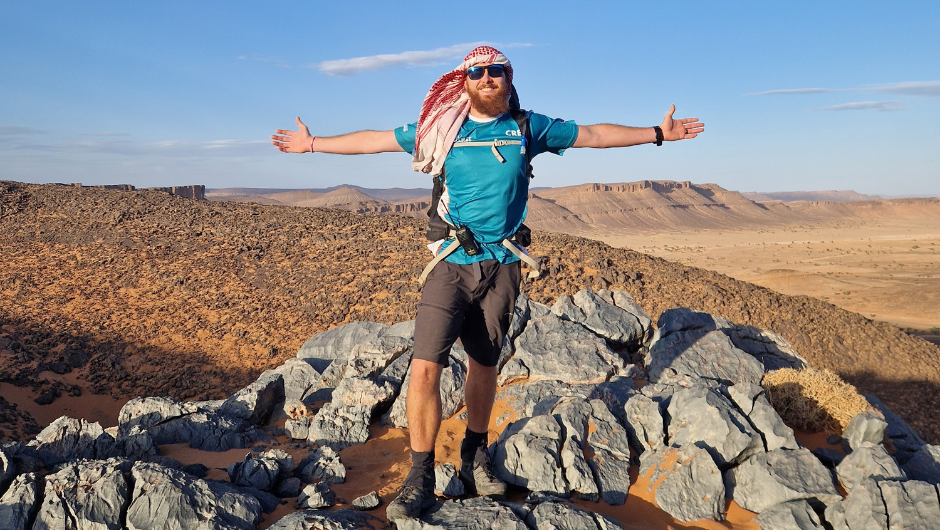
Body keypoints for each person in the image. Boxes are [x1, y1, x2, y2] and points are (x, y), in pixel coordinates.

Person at [271, 45, 703, 520]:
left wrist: (659, 134)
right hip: (450, 263)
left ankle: (475, 455)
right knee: (424, 368)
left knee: (483, 363)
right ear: (465, 81)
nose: (488, 77)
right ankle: (421, 475)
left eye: (497, 70)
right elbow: (374, 139)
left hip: (503, 265)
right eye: (478, 71)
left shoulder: (526, 127)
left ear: (508, 78)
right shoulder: (441, 131)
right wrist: (312, 145)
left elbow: (594, 135)